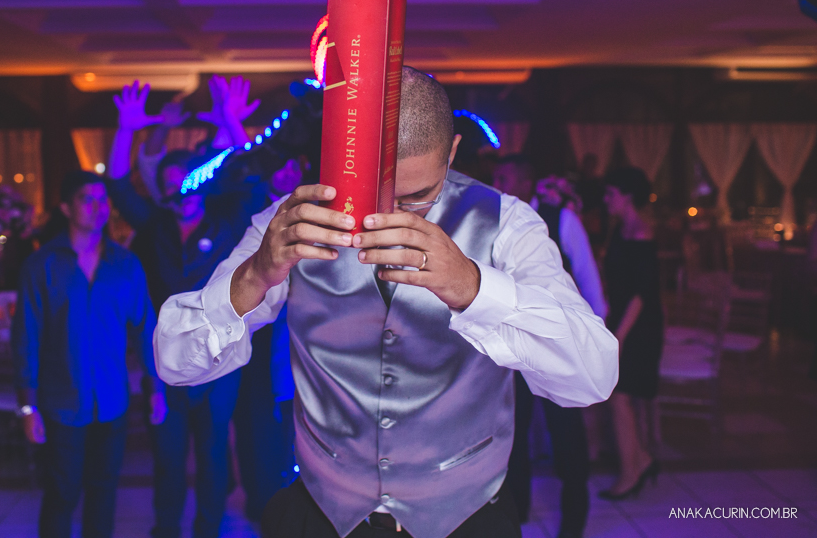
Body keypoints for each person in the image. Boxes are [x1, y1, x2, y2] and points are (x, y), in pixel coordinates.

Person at [154, 67, 618, 538]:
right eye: (374, 191)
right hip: (322, 514)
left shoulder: (509, 225)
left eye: (417, 196)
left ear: (452, 152)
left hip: (467, 517)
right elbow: (176, 363)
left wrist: (474, 288)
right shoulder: (291, 220)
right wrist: (254, 275)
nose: (390, 214)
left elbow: (593, 376)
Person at [106, 79, 263, 538]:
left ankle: (208, 529)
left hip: (221, 356)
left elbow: (252, 178)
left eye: (188, 185)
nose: (182, 195)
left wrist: (232, 121)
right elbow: (116, 185)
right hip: (163, 360)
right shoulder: (153, 223)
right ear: (163, 191)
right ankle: (166, 528)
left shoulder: (226, 219)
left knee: (214, 448)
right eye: (171, 188)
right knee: (168, 452)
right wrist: (125, 130)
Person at [11, 171, 163, 538]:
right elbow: (26, 339)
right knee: (61, 492)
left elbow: (146, 329)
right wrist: (28, 406)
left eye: (103, 200)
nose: (99, 208)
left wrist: (156, 387)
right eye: (87, 199)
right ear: (66, 207)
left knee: (104, 490)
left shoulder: (125, 265)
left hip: (112, 399)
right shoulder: (42, 265)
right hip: (61, 401)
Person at [492, 156, 607, 538]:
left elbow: (589, 279)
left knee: (567, 440)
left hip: (556, 350)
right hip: (512, 353)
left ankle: (573, 523)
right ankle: (519, 514)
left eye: (505, 177)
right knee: (513, 433)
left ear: (526, 181)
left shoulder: (563, 220)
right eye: (496, 178)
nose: (499, 183)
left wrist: (594, 345)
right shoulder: (495, 219)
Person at [598, 166, 663, 501]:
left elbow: (641, 293)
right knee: (618, 397)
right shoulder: (620, 230)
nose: (607, 200)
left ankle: (630, 473)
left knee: (619, 396)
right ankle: (641, 461)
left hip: (639, 327)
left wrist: (619, 336)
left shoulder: (641, 233)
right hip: (622, 322)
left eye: (611, 194)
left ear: (626, 197)